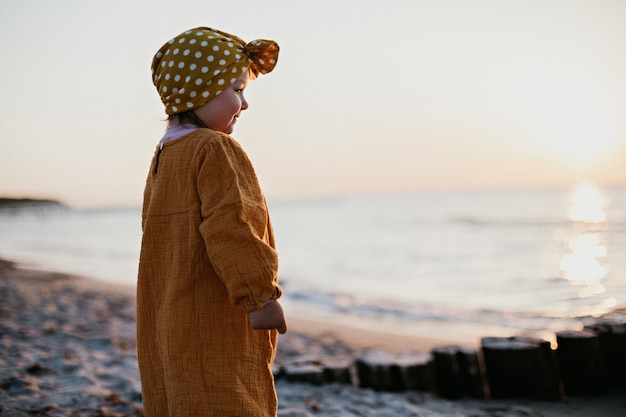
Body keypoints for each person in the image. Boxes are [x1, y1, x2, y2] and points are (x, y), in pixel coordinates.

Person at [136, 27, 287, 416]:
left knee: (182, 396)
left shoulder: (165, 156)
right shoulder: (215, 148)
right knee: (229, 396)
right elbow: (233, 225)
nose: (245, 103)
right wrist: (260, 296)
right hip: (212, 312)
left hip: (169, 316)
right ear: (199, 92)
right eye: (237, 90)